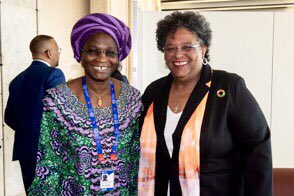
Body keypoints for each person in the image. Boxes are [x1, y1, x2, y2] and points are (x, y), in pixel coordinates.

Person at [138, 11, 272, 196]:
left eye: (187, 47)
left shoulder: (229, 87)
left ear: (202, 48)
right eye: (170, 48)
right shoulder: (154, 92)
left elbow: (257, 150)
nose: (178, 55)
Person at [28, 13, 142, 195]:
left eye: (110, 52)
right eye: (92, 51)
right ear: (80, 54)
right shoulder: (58, 100)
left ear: (118, 57)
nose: (101, 58)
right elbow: (49, 164)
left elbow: (136, 157)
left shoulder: (133, 99)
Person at [4, 35, 65, 193]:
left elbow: (9, 117)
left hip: (25, 150)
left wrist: (29, 130)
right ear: (49, 53)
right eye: (58, 50)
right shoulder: (54, 74)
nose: (59, 54)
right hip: (50, 151)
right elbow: (63, 114)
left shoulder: (17, 80)